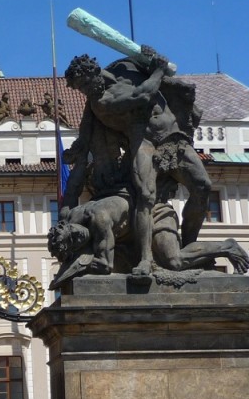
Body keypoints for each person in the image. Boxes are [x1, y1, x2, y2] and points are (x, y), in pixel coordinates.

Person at [63, 49, 211, 278]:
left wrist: (150, 57)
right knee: (145, 195)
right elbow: (141, 97)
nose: (85, 91)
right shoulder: (102, 102)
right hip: (145, 143)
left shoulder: (125, 69)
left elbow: (148, 68)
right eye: (80, 88)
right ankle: (145, 258)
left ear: (95, 72)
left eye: (85, 83)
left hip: (174, 138)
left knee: (203, 187)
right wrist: (159, 70)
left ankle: (189, 244)